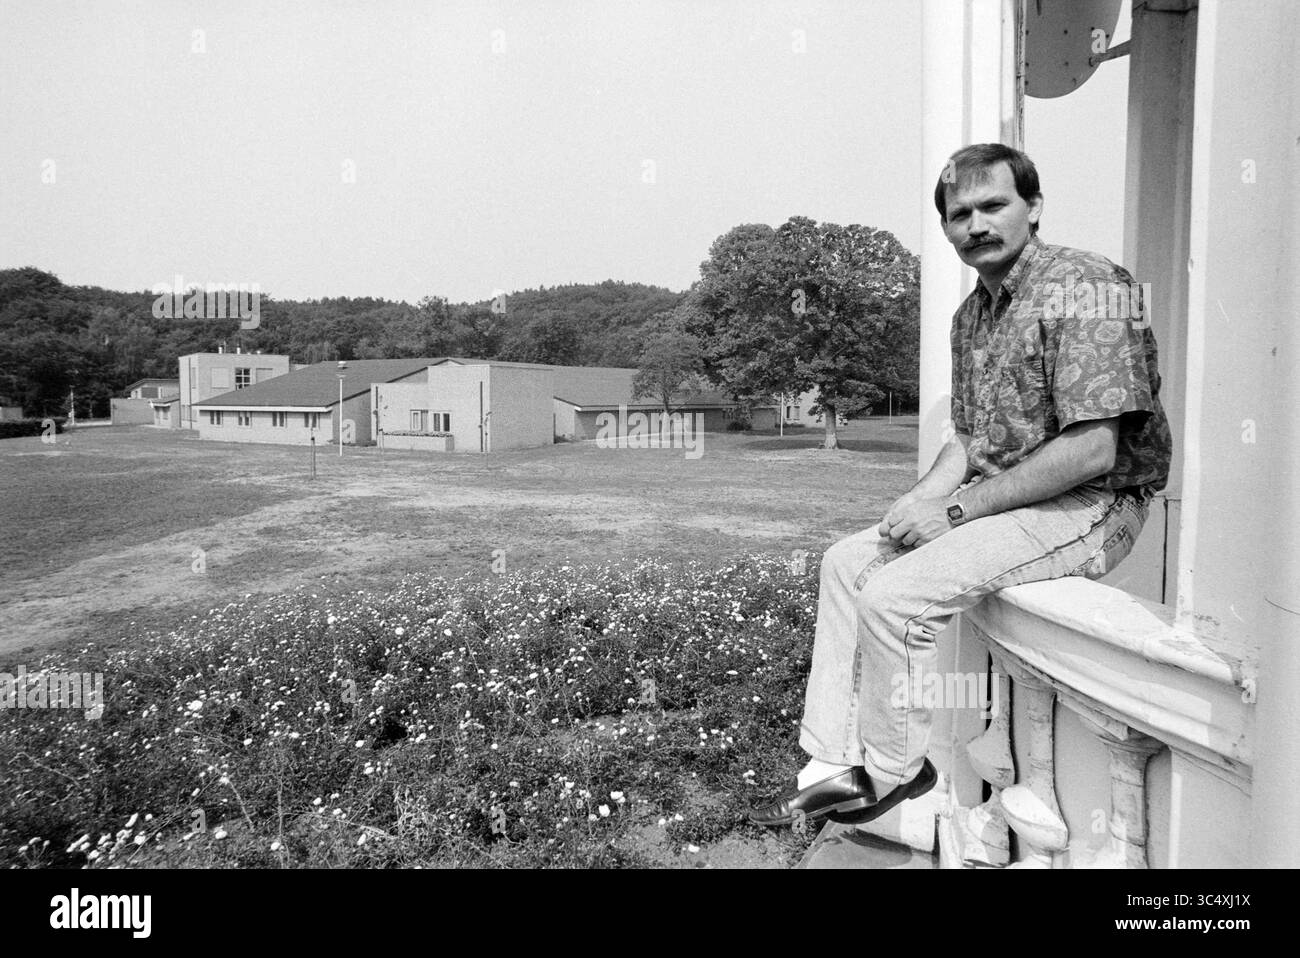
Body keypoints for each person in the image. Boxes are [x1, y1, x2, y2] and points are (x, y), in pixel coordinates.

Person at [748, 143, 1173, 829]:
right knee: (847, 562)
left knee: (894, 595)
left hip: (1098, 503)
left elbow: (1094, 450)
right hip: (1014, 499)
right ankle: (827, 759)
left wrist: (953, 510)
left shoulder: (1087, 285)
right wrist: (921, 501)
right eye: (958, 214)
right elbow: (971, 438)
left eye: (993, 206)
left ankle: (894, 769)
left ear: (1032, 208)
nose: (975, 225)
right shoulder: (972, 316)